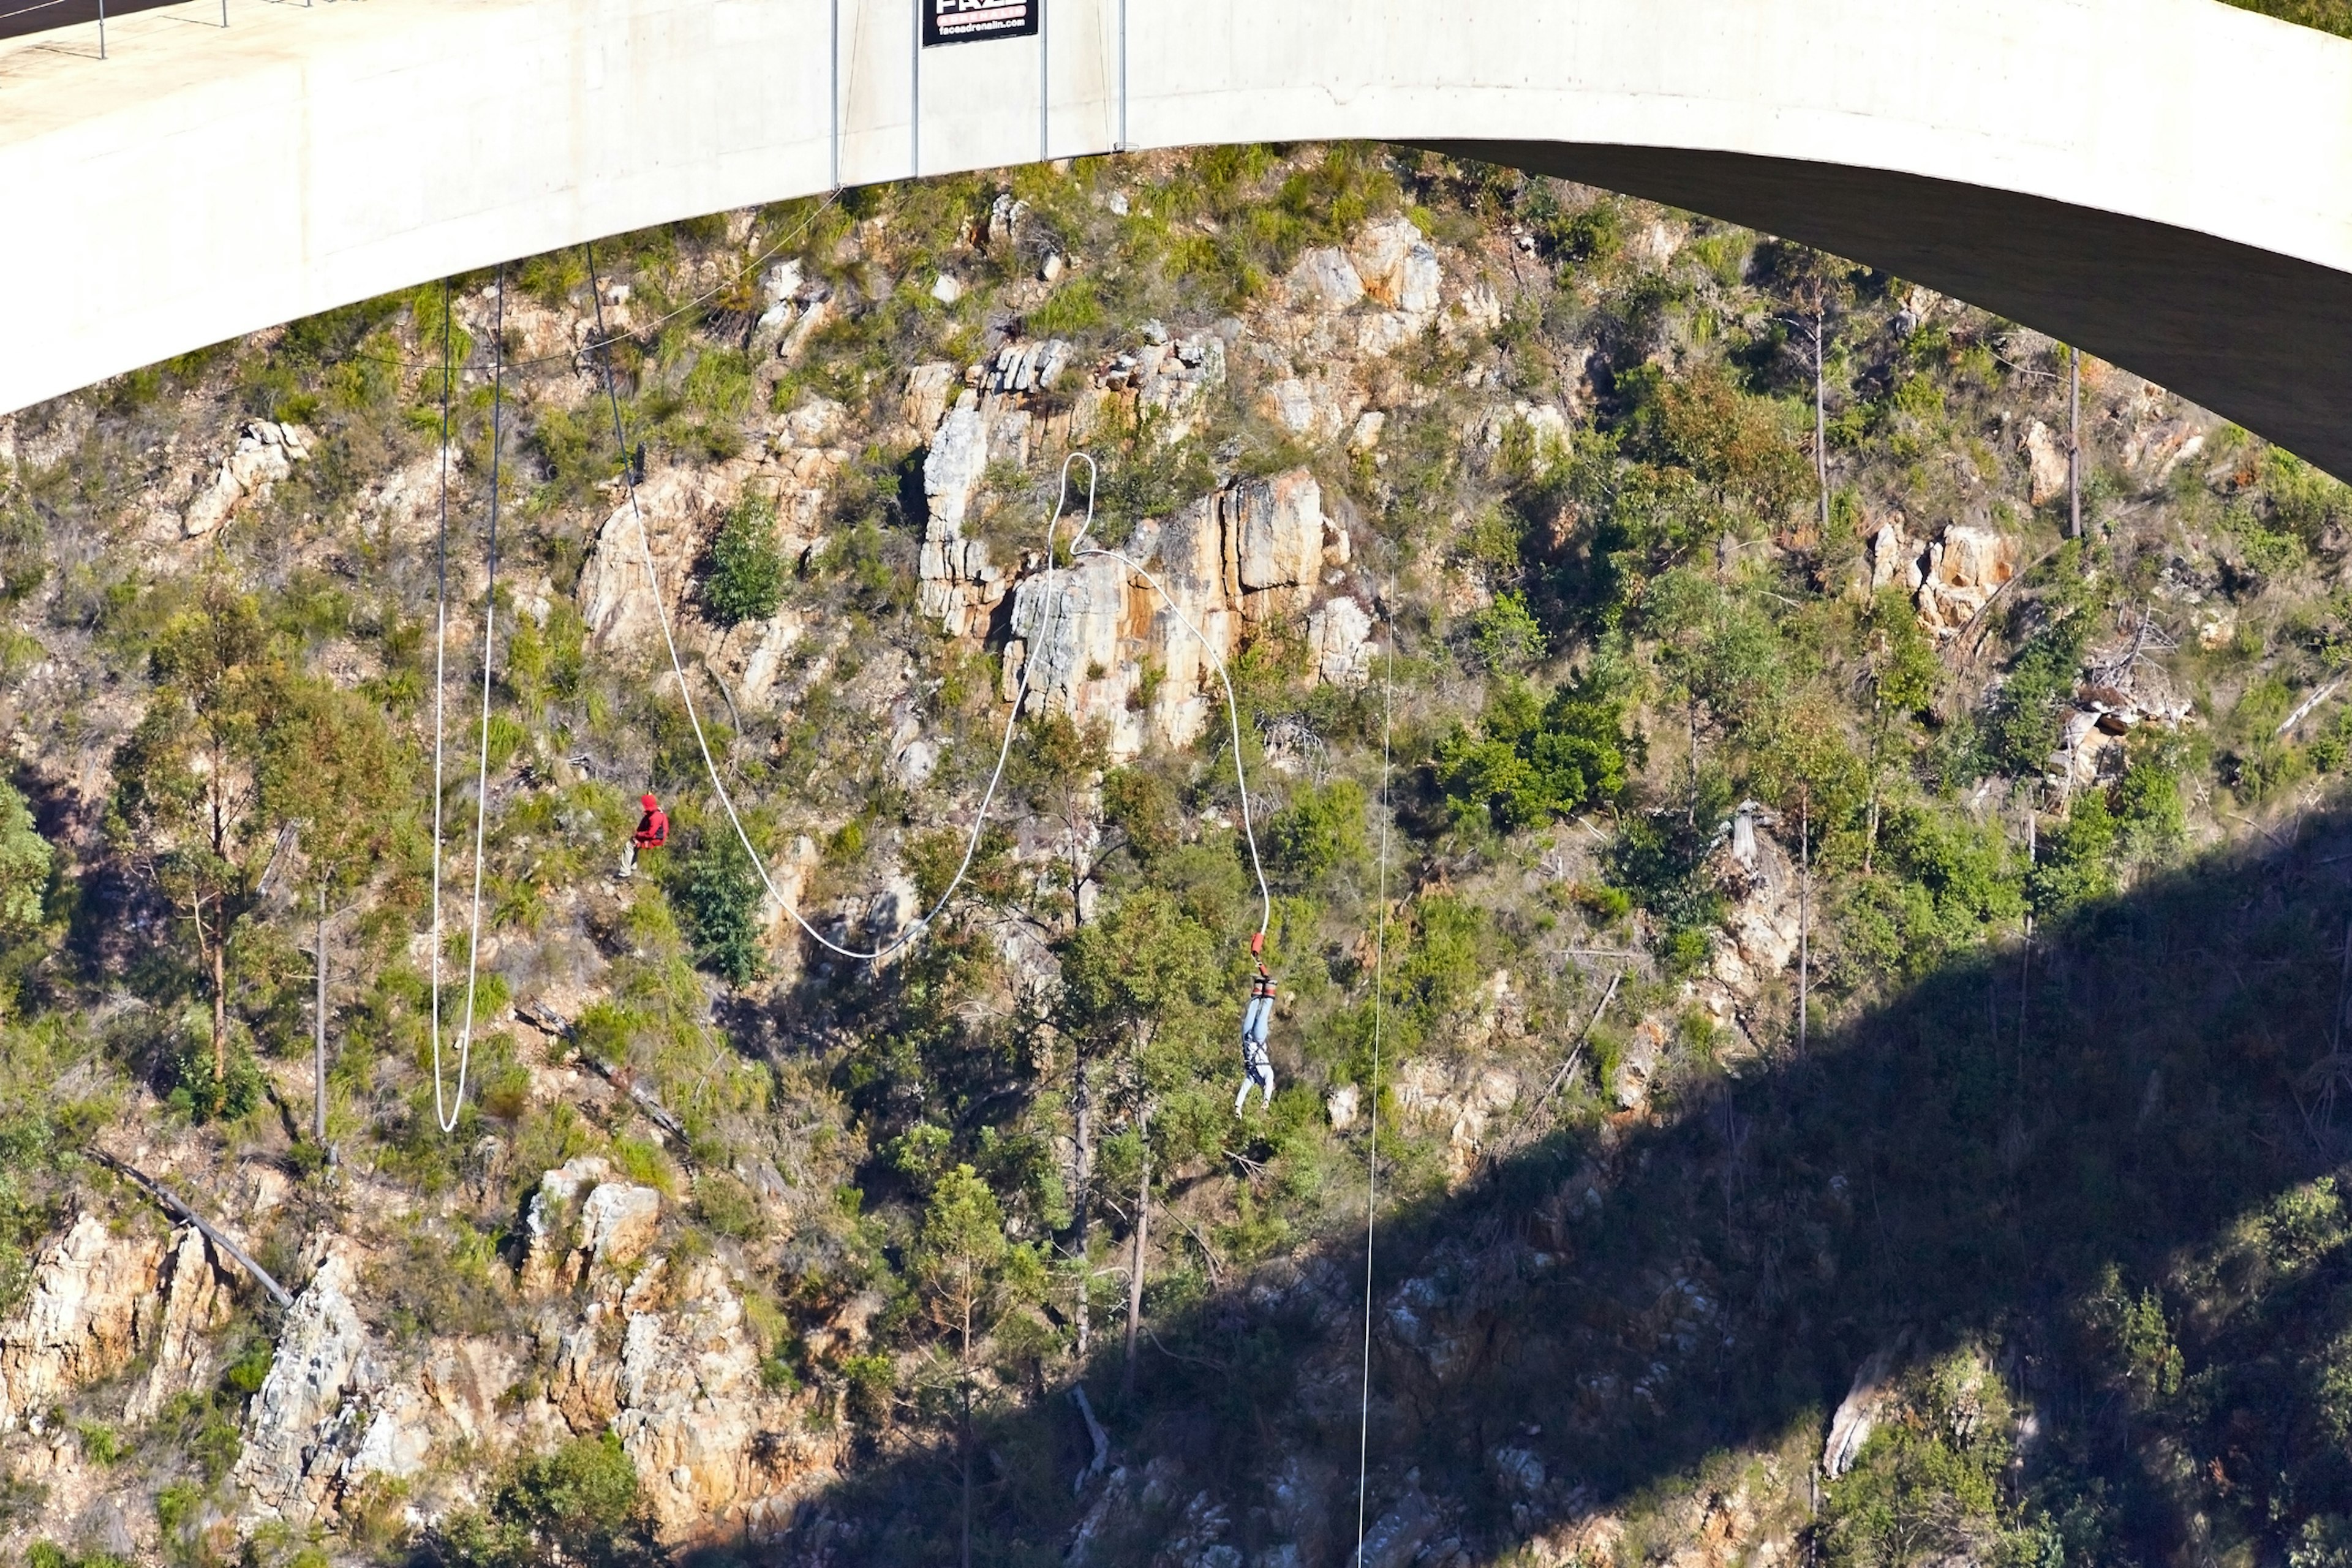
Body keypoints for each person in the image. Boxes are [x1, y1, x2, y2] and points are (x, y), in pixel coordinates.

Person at [1235, 932, 1276, 1113]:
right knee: (1262, 1015)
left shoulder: (1252, 1076)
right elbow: (1269, 1083)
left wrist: (1238, 1107)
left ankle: (1259, 985)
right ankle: (1270, 989)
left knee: (1252, 1010)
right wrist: (1266, 1100)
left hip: (1247, 1038)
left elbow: (1244, 1089)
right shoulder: (1267, 1073)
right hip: (1258, 1039)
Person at [620, 793, 668, 879]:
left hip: (654, 840)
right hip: (654, 838)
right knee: (634, 843)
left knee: (629, 846)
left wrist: (638, 834)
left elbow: (650, 834)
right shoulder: (654, 813)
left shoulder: (655, 817)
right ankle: (632, 866)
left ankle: (625, 872)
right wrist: (637, 835)